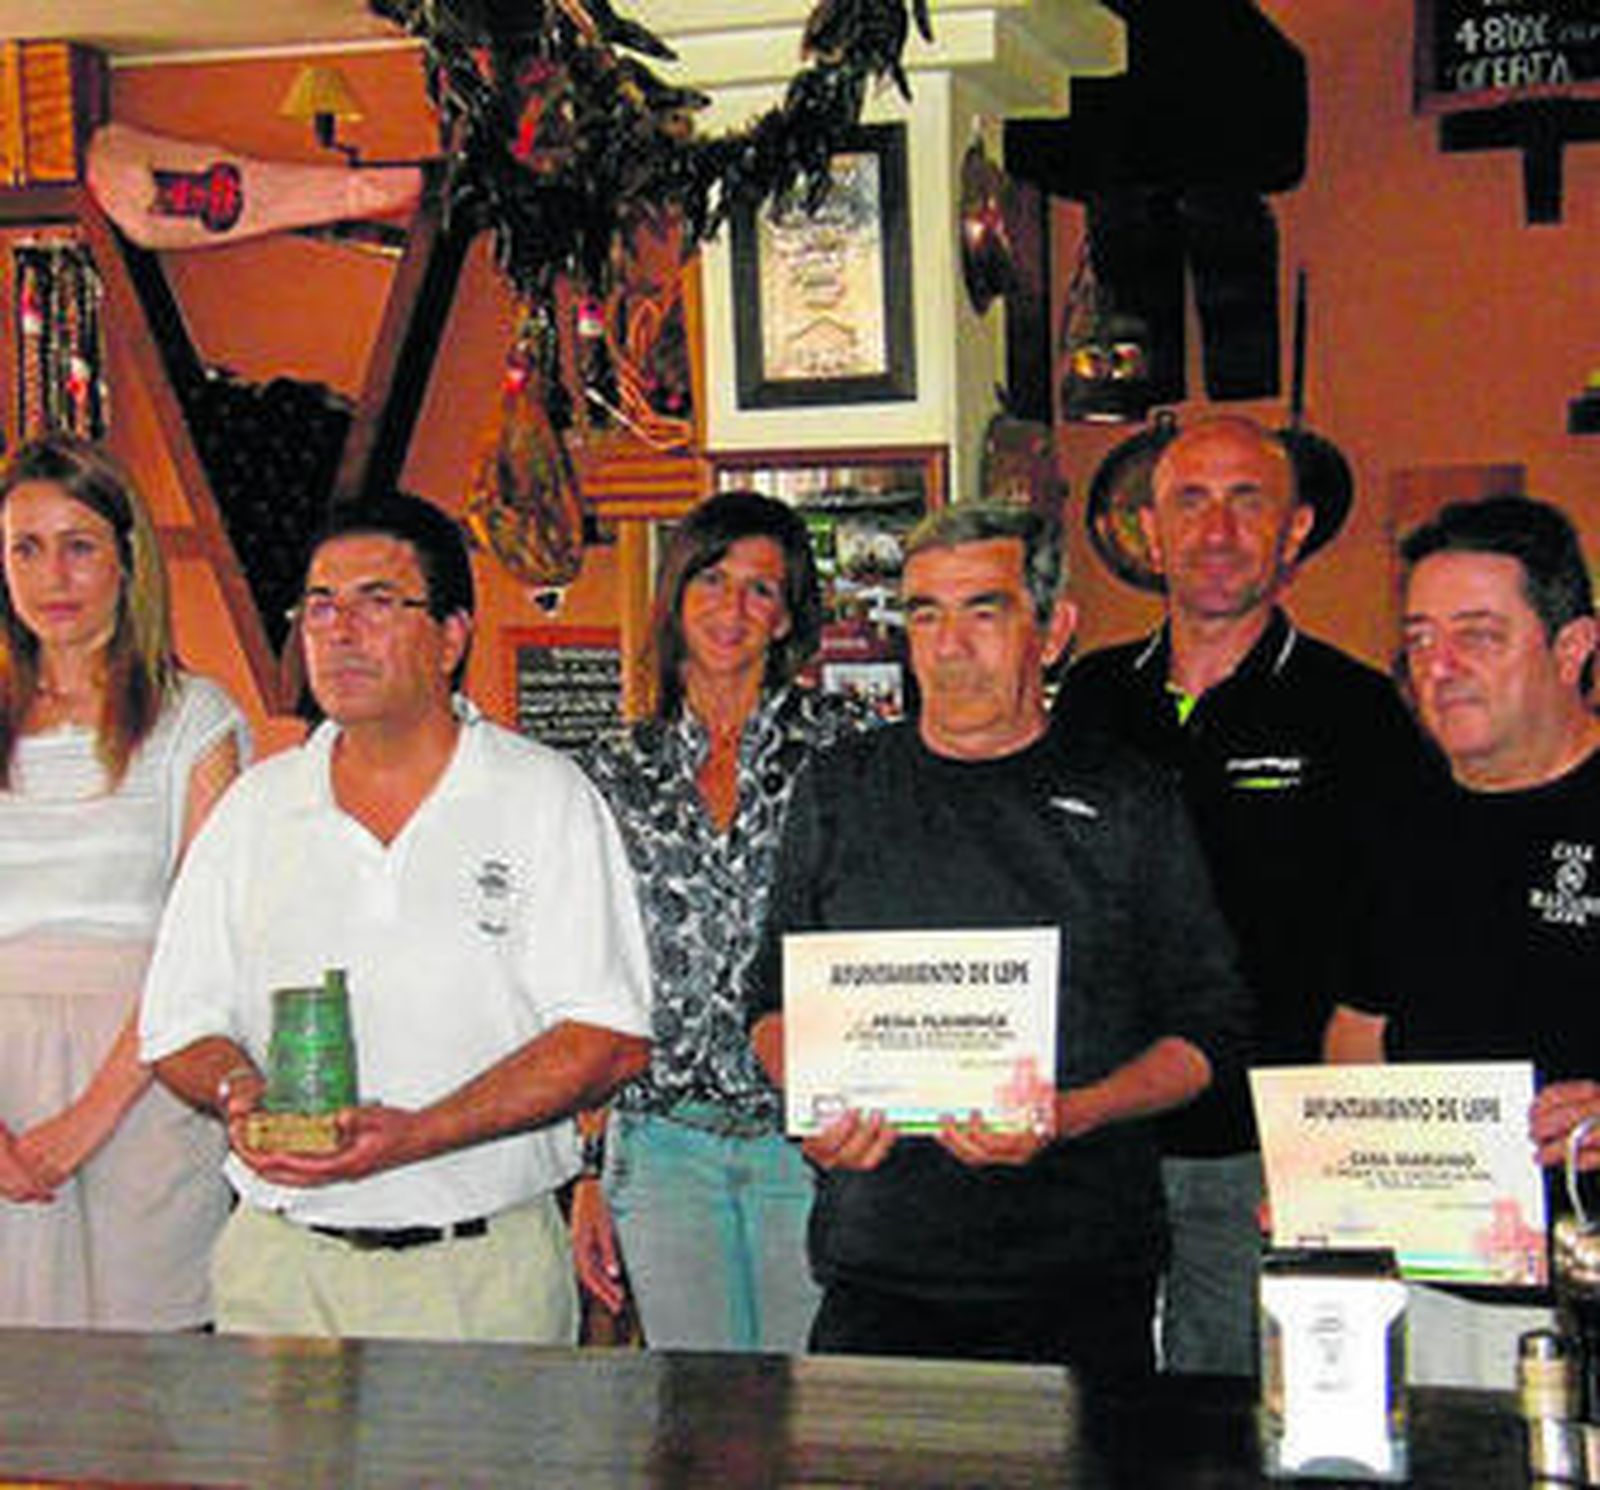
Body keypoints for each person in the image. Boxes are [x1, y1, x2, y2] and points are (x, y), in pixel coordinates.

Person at [138, 491, 652, 1344]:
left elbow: (607, 1039)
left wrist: (416, 1135)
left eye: (378, 602)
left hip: (479, 1275)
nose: (340, 631)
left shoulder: (541, 796)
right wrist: (242, 1095)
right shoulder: (256, 810)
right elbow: (177, 1028)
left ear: (452, 637)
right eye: (320, 606)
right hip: (281, 1269)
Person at [750, 503, 1249, 1378]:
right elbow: (769, 1000)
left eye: (984, 610)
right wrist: (814, 1095)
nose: (949, 645)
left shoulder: (1130, 798)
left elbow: (1211, 1031)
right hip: (878, 1270)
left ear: (1052, 631)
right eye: (925, 614)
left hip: (1080, 1276)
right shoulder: (839, 789)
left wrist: (1074, 1111)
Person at [1053, 414, 1436, 1375]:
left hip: (1263, 1153)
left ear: (1295, 529)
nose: (1217, 530)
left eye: (1246, 501)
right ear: (1149, 531)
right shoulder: (1091, 700)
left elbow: (1393, 939)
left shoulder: (1356, 713)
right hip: (1099, 1135)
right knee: (1093, 1414)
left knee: (1230, 1417)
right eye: (1191, 501)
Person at [574, 490, 876, 1351]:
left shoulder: (848, 747)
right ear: (675, 594)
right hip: (663, 1144)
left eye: (761, 590)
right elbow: (596, 977)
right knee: (702, 1421)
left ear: (787, 619)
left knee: (816, 1410)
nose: (733, 610)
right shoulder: (612, 768)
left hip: (806, 1141)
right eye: (712, 580)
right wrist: (591, 1172)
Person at [1325, 494, 1600, 1386]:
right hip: (1433, 1293)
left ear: (1573, 648)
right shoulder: (1393, 819)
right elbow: (1359, 1034)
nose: (1439, 667)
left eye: (1478, 635)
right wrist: (1329, 1176)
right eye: (1419, 637)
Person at [0, 435, 248, 1329]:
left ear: (126, 558)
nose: (52, 575)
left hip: (142, 1082)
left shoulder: (195, 718)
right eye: (26, 547)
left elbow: (201, 948)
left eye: (79, 545)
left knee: (149, 1401)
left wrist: (83, 1125)